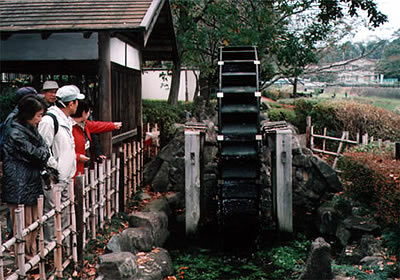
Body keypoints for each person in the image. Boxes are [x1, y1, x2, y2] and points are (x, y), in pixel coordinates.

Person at [1, 95, 50, 262]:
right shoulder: (15, 132)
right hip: (19, 182)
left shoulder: (30, 128)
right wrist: (42, 154)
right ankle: (25, 260)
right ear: (28, 114)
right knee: (23, 224)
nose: (40, 119)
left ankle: (32, 257)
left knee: (34, 222)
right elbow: (36, 153)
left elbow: (44, 148)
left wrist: (42, 153)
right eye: (38, 115)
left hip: (30, 179)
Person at [38, 85, 84, 242]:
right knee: (51, 213)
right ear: (71, 104)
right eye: (77, 102)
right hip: (54, 177)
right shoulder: (49, 121)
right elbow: (42, 149)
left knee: (64, 211)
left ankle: (63, 244)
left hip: (65, 175)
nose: (78, 105)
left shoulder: (65, 120)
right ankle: (52, 248)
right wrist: (55, 167)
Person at [71, 99, 122, 177]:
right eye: (89, 111)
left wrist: (112, 125)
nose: (89, 113)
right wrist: (78, 157)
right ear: (84, 113)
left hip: (84, 163)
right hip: (73, 166)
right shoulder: (70, 127)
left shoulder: (83, 124)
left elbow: (96, 125)